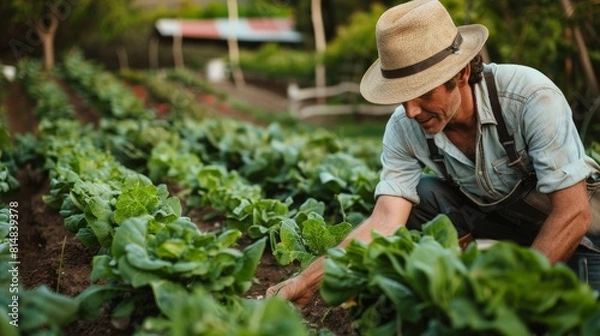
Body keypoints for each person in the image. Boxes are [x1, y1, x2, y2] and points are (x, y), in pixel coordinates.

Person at [266, 0, 600, 307]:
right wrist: (306, 281)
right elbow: (384, 221)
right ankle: (464, 272)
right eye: (401, 96)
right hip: (508, 226)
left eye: (423, 93)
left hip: (583, 234)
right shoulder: (404, 127)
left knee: (573, 314)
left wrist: (513, 292)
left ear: (461, 73)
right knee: (423, 196)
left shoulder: (530, 98)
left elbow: (573, 213)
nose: (411, 111)